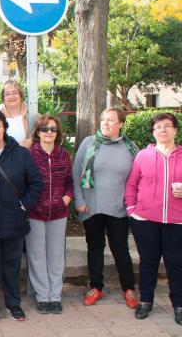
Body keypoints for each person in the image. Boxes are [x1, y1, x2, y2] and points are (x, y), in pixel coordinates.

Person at [0, 110, 43, 323]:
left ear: (4, 128)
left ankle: (13, 304)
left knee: (12, 267)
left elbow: (36, 183)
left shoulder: (21, 154)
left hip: (15, 221)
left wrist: (25, 204)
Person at [72, 107, 140, 309]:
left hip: (119, 207)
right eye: (103, 120)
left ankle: (128, 288)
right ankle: (96, 287)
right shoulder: (89, 143)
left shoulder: (130, 148)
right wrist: (79, 200)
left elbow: (138, 178)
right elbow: (76, 174)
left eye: (111, 120)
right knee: (94, 248)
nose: (106, 123)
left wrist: (133, 203)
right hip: (91, 206)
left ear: (121, 123)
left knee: (120, 249)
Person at [125, 112, 182, 325]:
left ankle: (179, 304)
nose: (163, 130)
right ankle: (146, 301)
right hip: (145, 220)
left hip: (177, 222)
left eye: (168, 126)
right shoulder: (143, 156)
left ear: (175, 130)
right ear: (153, 132)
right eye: (158, 127)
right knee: (148, 262)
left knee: (176, 263)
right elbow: (131, 184)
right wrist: (131, 209)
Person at [27, 115, 74, 315]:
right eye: (45, 129)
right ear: (38, 132)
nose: (49, 132)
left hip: (58, 212)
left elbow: (70, 181)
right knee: (37, 255)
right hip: (34, 213)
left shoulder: (63, 155)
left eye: (53, 129)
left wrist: (67, 197)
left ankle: (55, 295)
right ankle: (42, 294)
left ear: (57, 133)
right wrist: (29, 203)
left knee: (56, 256)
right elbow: (24, 182)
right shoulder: (29, 154)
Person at [0, 80, 31, 146]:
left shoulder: (30, 112)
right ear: (3, 98)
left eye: (15, 93)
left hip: (24, 154)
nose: (11, 96)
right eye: (7, 94)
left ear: (21, 96)